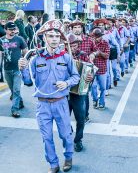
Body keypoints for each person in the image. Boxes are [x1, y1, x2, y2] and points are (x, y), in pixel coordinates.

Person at [18, 20, 80, 172]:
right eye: (50, 36)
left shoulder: (65, 58)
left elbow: (76, 77)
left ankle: (68, 157)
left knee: (66, 134)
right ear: (44, 38)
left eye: (56, 37)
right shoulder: (35, 59)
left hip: (61, 103)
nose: (54, 39)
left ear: (60, 39)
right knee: (46, 138)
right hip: (43, 104)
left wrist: (66, 83)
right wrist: (23, 69)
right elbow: (27, 82)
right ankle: (53, 164)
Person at [66, 33, 94, 152]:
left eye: (75, 45)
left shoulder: (83, 55)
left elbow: (91, 70)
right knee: (63, 117)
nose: (73, 48)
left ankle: (78, 140)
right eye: (70, 46)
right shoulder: (62, 56)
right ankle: (68, 133)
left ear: (78, 45)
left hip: (79, 92)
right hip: (65, 92)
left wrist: (90, 76)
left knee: (80, 118)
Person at [69, 19, 96, 123]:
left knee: (84, 95)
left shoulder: (89, 40)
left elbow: (95, 50)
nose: (77, 29)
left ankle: (85, 115)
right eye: (74, 27)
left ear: (82, 28)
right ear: (71, 29)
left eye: (79, 27)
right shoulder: (67, 40)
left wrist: (93, 54)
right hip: (70, 73)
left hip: (85, 70)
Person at [0, 22, 28, 118]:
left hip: (18, 69)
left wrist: (24, 63)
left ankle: (14, 110)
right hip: (7, 69)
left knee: (16, 90)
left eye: (14, 29)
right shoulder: (1, 40)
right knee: (13, 90)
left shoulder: (19, 39)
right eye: (11, 29)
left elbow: (26, 52)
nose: (13, 31)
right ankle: (20, 101)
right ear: (5, 30)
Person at [90, 27, 110, 110]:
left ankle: (102, 103)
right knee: (93, 86)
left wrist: (99, 53)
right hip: (92, 68)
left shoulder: (105, 43)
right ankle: (95, 100)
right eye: (95, 36)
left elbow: (107, 55)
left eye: (98, 36)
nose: (97, 38)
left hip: (102, 68)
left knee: (102, 88)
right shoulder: (91, 43)